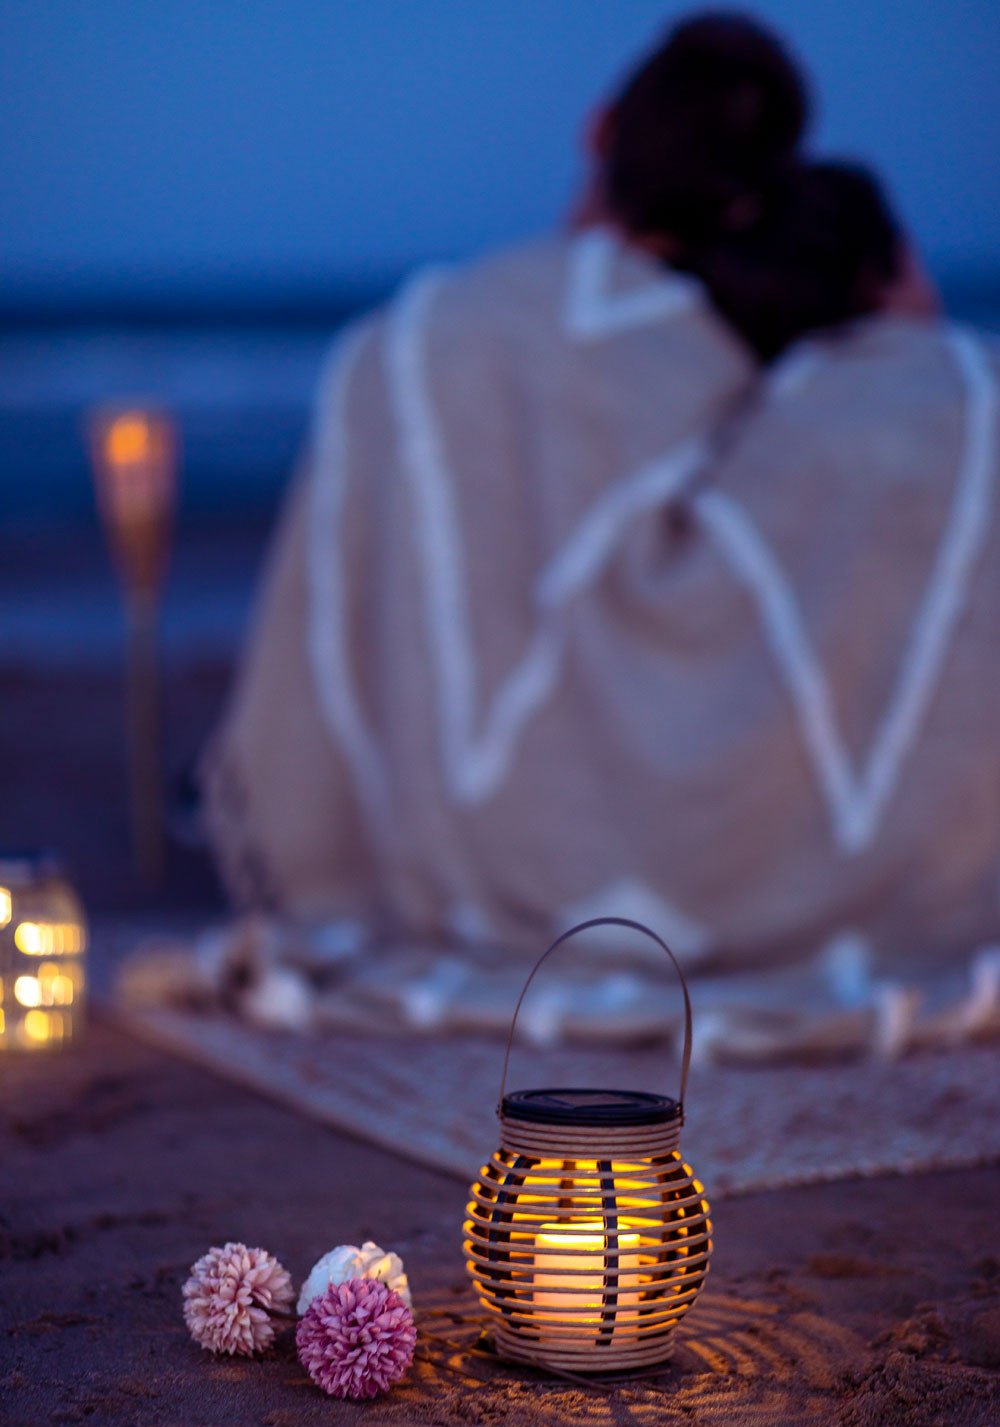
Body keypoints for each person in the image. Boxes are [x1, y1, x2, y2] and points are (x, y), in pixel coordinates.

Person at [201, 12, 999, 1004]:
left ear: (596, 129)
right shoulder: (766, 337)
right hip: (758, 835)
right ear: (763, 183)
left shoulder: (428, 334)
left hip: (483, 858)